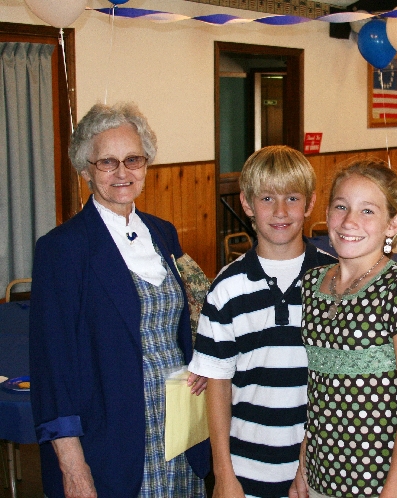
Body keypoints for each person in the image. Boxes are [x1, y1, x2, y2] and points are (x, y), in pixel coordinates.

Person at [29, 102, 210, 498]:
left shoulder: (163, 234)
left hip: (181, 431)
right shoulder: (62, 249)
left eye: (133, 159)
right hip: (112, 441)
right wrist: (73, 468)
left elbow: (188, 322)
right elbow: (52, 370)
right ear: (85, 170)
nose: (123, 173)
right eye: (107, 162)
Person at [187, 145, 337, 498]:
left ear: (310, 203)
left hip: (324, 468)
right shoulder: (227, 288)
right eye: (267, 198)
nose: (281, 211)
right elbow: (218, 386)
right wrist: (224, 476)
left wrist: (311, 461)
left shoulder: (334, 280)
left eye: (292, 198)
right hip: (247, 470)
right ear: (247, 204)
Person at [290, 159, 397, 498]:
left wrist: (393, 493)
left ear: (393, 224)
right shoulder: (313, 284)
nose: (350, 221)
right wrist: (303, 464)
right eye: (341, 206)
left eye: (367, 211)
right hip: (322, 476)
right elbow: (319, 391)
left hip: (379, 482)